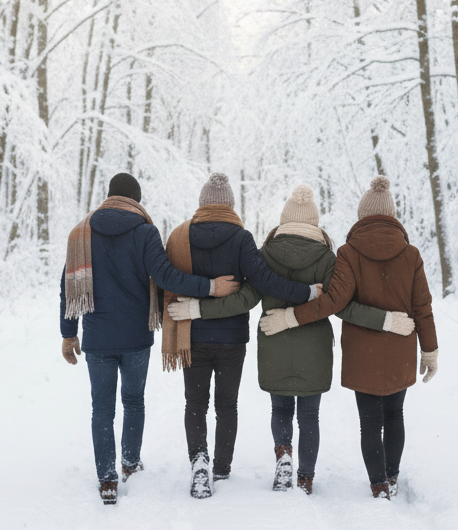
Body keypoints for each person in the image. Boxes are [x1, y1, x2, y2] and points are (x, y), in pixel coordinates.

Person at [168, 184, 414, 495]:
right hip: (314, 348)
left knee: (281, 409)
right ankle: (305, 477)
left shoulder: (265, 255)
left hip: (274, 344)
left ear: (284, 219)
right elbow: (340, 305)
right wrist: (386, 321)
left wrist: (198, 308)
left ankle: (284, 455)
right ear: (315, 221)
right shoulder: (328, 259)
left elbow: (243, 299)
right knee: (310, 415)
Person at [59, 173, 240, 505]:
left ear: (109, 196)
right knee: (133, 402)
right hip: (135, 336)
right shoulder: (144, 232)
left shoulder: (80, 233)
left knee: (101, 408)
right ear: (136, 201)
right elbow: (167, 276)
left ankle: (107, 481)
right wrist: (212, 287)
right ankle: (129, 463)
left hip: (98, 338)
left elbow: (68, 287)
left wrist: (68, 335)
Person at [259, 176, 438, 499]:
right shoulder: (410, 254)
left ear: (361, 214)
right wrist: (430, 350)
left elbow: (334, 302)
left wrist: (289, 317)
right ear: (393, 214)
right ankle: (391, 477)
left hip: (362, 351)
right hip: (401, 348)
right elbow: (422, 307)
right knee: (394, 415)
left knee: (369, 421)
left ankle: (378, 484)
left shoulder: (349, 252)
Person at [161, 172, 319, 499]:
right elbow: (264, 281)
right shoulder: (241, 238)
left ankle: (199, 461)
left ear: (202, 203)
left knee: (195, 403)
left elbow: (169, 278)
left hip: (192, 334)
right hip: (231, 338)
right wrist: (303, 292)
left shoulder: (180, 236)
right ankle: (220, 467)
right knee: (226, 405)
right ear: (231, 204)